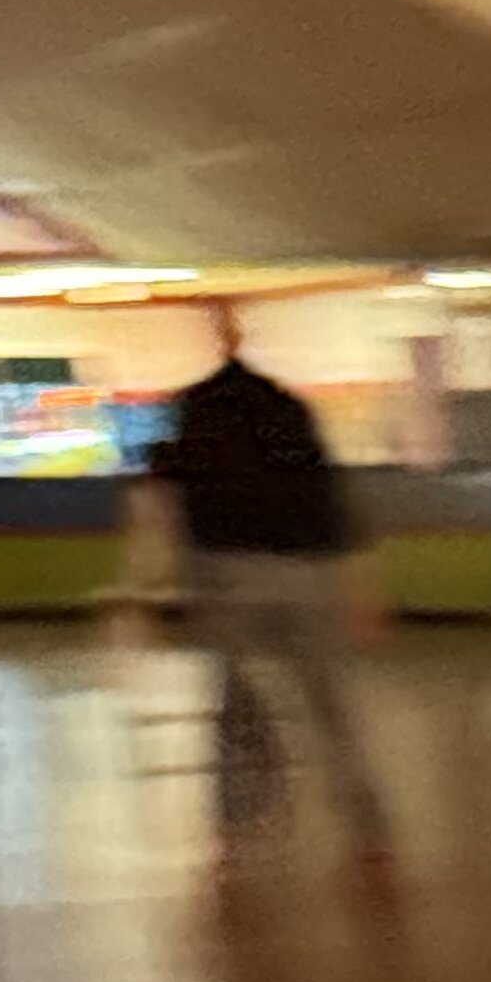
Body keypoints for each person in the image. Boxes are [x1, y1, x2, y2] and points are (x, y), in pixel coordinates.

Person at [159, 310, 369, 778]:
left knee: (237, 695)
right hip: (304, 570)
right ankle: (361, 809)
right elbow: (326, 492)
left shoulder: (199, 407)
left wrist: (187, 579)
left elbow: (187, 500)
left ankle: (239, 808)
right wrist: (355, 583)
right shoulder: (286, 406)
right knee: (325, 695)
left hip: (233, 570)